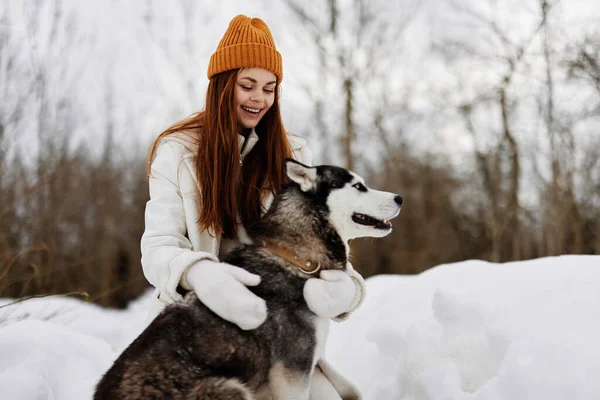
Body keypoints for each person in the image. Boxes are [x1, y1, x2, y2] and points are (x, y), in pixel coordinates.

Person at [141, 14, 366, 399]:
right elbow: (158, 247)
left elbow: (322, 243)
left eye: (269, 87)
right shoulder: (177, 151)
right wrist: (199, 275)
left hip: (279, 333)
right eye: (247, 85)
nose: (258, 98)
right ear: (223, 85)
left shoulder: (294, 154)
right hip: (202, 335)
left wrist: (350, 289)